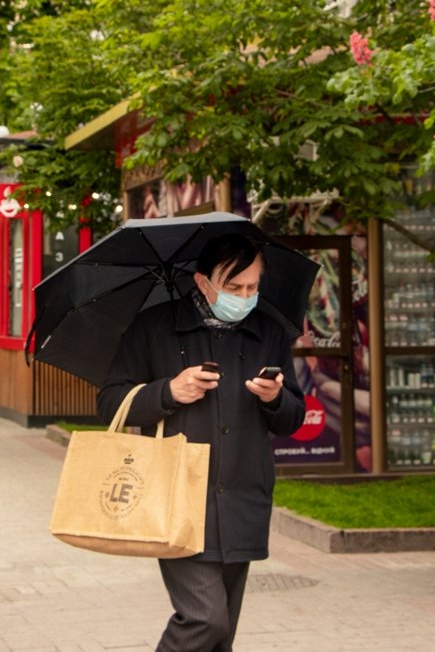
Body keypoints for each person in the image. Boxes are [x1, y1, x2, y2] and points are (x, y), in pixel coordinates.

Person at [97, 233, 306, 651]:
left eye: (252, 287)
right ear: (202, 282)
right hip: (176, 497)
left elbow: (292, 418)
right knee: (205, 619)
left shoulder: (268, 332)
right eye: (233, 287)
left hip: (245, 494)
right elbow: (110, 403)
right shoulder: (154, 328)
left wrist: (275, 398)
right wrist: (168, 391)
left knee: (222, 634)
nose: (244, 296)